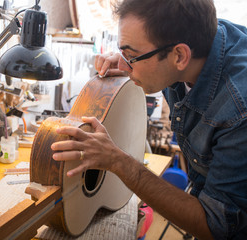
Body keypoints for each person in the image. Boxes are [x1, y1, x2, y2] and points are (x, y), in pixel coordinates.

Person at [50, 0, 247, 239]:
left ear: (180, 56)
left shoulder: (238, 109)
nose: (125, 63)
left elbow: (217, 226)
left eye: (131, 55)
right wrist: (129, 59)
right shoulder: (197, 40)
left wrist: (119, 162)